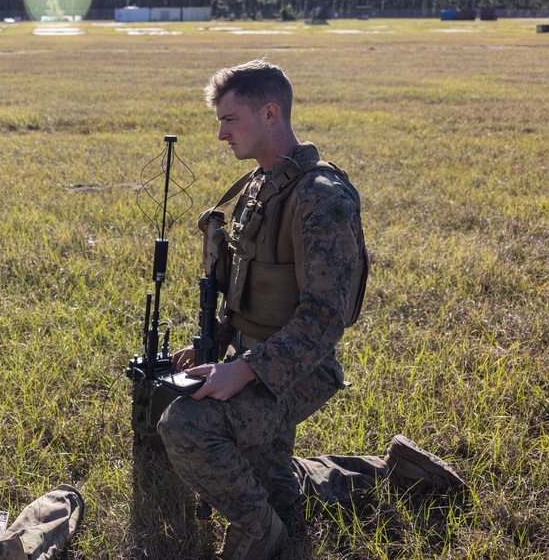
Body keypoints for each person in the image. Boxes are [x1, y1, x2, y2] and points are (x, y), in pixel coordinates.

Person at [156, 61, 465, 560]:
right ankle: (394, 474)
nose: (220, 134)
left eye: (230, 120)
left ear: (270, 112)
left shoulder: (321, 198)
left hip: (300, 368)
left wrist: (246, 370)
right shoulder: (260, 186)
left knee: (186, 426)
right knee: (279, 489)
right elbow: (247, 287)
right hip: (253, 355)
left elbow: (325, 319)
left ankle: (260, 532)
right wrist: (212, 342)